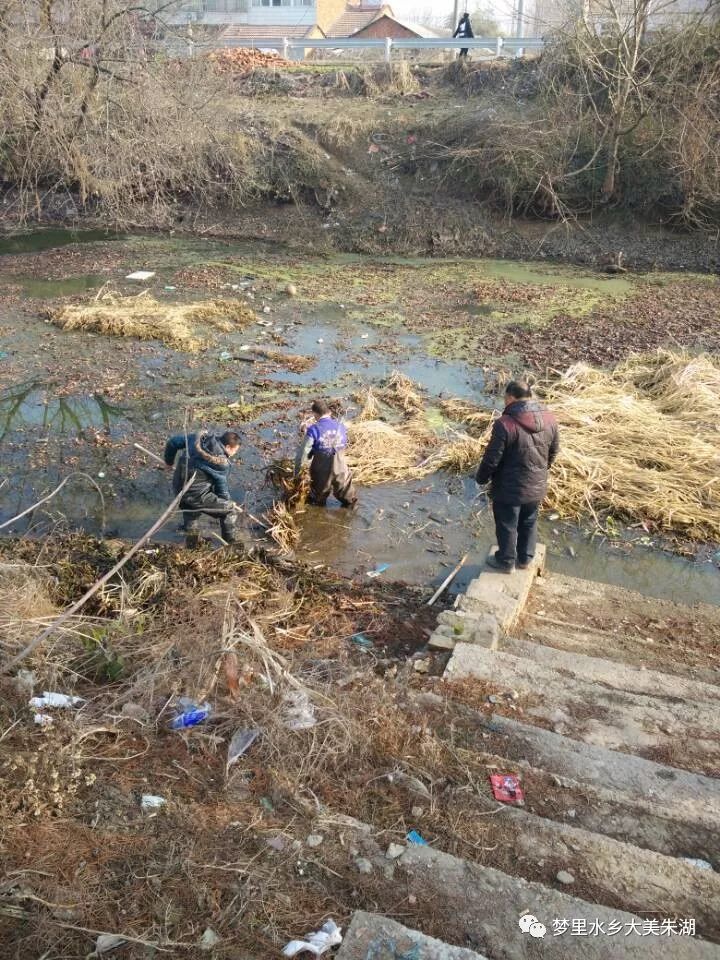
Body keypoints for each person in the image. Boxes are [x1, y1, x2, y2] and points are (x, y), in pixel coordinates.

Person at [475, 381, 559, 573]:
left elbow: (492, 459)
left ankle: (505, 562)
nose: (504, 402)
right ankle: (525, 560)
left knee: (507, 524)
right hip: (536, 486)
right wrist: (540, 472)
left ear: (511, 397)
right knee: (529, 520)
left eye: (505, 398)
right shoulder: (549, 419)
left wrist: (481, 478)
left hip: (509, 488)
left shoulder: (505, 424)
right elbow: (554, 451)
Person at [164, 429, 241, 547]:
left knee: (191, 509)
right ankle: (229, 543)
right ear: (228, 447)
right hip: (195, 495)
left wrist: (169, 462)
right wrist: (227, 502)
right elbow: (221, 488)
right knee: (230, 511)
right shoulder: (221, 463)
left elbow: (172, 443)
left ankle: (191, 539)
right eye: (235, 451)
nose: (233, 454)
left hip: (179, 486)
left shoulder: (197, 438)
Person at [295, 400, 358, 508]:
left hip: (321, 468)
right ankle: (350, 514)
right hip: (340, 465)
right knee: (348, 497)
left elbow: (303, 454)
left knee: (318, 499)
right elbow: (343, 444)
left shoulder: (313, 430)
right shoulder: (341, 426)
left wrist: (298, 474)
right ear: (328, 412)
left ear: (315, 414)